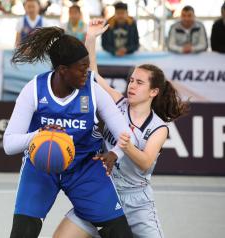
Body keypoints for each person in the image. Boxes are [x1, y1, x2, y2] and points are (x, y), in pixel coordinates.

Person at [53, 19, 189, 238]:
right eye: (131, 80)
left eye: (139, 83)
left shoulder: (158, 128)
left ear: (154, 92)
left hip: (137, 202)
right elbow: (93, 75)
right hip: (103, 192)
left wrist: (125, 145)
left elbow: (145, 163)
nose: (132, 85)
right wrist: (91, 37)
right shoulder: (117, 103)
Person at [4, 25, 137, 238]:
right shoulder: (34, 89)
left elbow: (124, 133)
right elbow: (9, 144)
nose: (87, 72)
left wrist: (115, 153)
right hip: (41, 166)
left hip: (85, 167)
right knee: (22, 233)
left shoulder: (93, 91)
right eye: (82, 68)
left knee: (120, 234)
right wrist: (41, 135)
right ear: (63, 70)